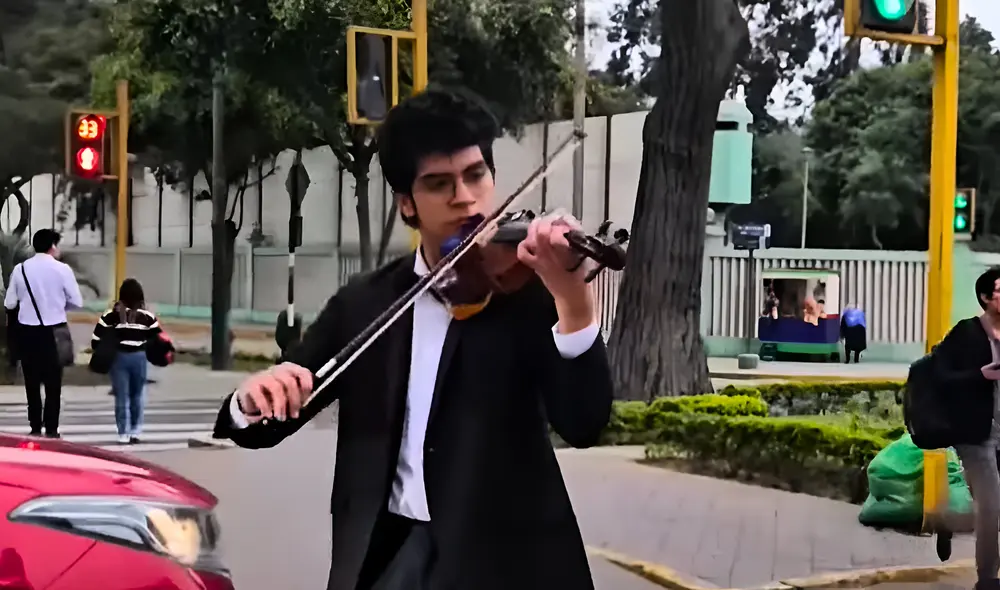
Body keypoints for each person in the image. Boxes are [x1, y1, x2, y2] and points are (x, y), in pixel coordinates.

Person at [211, 87, 613, 590]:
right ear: (407, 204)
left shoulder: (531, 290)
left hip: (506, 563)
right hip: (390, 556)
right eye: (439, 184)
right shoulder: (364, 303)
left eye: (475, 175)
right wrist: (251, 401)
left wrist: (574, 303)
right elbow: (264, 423)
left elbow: (585, 423)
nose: (464, 197)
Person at [933, 266, 1000, 590]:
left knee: (989, 503)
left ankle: (948, 520)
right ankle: (987, 579)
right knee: (991, 505)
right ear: (986, 297)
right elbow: (939, 375)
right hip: (977, 436)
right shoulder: (967, 333)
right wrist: (979, 375)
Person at [3, 229, 82, 438]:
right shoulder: (63, 270)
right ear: (52, 246)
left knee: (32, 383)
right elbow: (77, 301)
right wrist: (57, 306)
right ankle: (52, 429)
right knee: (53, 384)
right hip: (54, 332)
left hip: (28, 333)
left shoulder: (20, 270)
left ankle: (35, 427)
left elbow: (9, 302)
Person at [91, 278, 161, 445]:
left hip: (119, 359)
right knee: (137, 395)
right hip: (139, 358)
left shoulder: (110, 315)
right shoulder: (147, 317)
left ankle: (123, 432)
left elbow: (95, 339)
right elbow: (158, 340)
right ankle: (136, 430)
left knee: (121, 397)